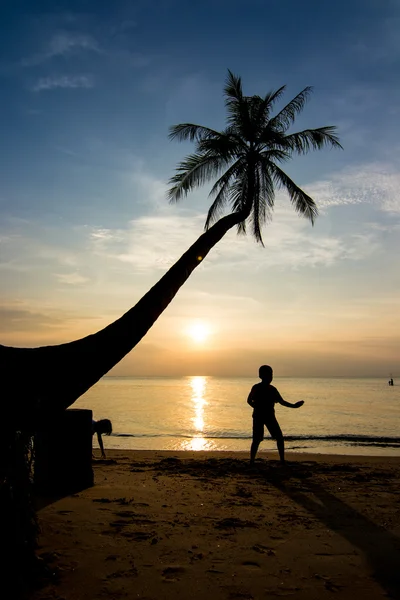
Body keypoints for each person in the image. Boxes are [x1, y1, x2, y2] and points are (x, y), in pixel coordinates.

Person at [247, 365, 304, 465]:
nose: (270, 377)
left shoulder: (272, 389)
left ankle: (282, 459)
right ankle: (252, 460)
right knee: (257, 439)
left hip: (268, 416)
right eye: (268, 374)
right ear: (261, 376)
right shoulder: (256, 388)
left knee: (278, 438)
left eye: (271, 374)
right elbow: (249, 400)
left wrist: (294, 406)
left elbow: (282, 402)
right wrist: (256, 407)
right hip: (259, 416)